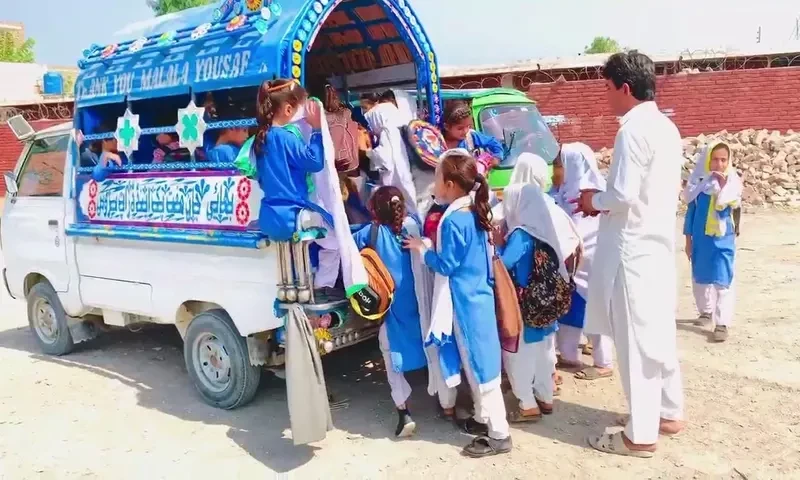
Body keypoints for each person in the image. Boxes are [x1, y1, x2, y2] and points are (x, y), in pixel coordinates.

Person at [573, 51, 684, 458]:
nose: (605, 96)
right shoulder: (666, 126)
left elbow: (621, 195)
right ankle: (668, 412)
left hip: (631, 251)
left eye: (606, 87)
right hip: (654, 245)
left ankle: (640, 434)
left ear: (624, 87)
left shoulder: (633, 130)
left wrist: (591, 199)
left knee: (636, 341)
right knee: (658, 335)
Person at [403, 150, 511, 458]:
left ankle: (499, 434)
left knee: (480, 369)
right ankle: (485, 419)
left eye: (436, 179)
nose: (434, 185)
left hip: (465, 305)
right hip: (480, 298)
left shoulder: (453, 221)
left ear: (450, 184)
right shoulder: (475, 211)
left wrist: (423, 249)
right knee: (484, 364)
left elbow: (446, 265)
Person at [352, 186, 452, 437]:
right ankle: (446, 403)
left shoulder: (371, 232)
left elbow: (344, 246)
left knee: (390, 354)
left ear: (375, 210)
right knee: (433, 349)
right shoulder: (413, 227)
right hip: (420, 305)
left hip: (393, 309)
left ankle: (403, 413)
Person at [496, 182, 581, 422]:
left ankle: (527, 404)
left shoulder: (521, 234)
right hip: (547, 304)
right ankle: (545, 398)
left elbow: (504, 264)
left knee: (520, 355)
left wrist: (499, 246)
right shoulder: (546, 229)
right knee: (544, 352)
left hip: (526, 307)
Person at [551, 143, 615, 381]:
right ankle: (568, 353)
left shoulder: (592, 196)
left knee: (596, 307)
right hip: (572, 265)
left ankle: (603, 362)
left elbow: (584, 232)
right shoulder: (562, 192)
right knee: (570, 307)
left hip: (591, 264)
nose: (556, 170)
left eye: (559, 165)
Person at [251, 78, 327, 242]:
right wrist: (316, 130)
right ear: (288, 109)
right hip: (292, 218)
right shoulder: (286, 138)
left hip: (268, 215)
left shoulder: (259, 138)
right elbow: (314, 161)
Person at [682, 141, 742, 342]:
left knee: (723, 280)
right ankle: (705, 312)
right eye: (715, 159)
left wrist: (723, 187)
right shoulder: (699, 183)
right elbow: (690, 211)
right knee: (700, 277)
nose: (719, 164)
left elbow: (733, 205)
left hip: (723, 239)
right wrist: (688, 240)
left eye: (723, 160)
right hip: (700, 239)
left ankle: (722, 323)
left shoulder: (733, 182)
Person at [365, 101, 418, 216]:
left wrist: (367, 152)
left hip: (399, 180)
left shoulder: (387, 132)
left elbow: (383, 159)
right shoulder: (405, 126)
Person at [442, 101, 504, 176]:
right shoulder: (438, 143)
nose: (465, 131)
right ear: (447, 127)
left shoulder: (471, 136)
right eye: (460, 128)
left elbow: (494, 143)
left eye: (468, 126)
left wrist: (497, 157)